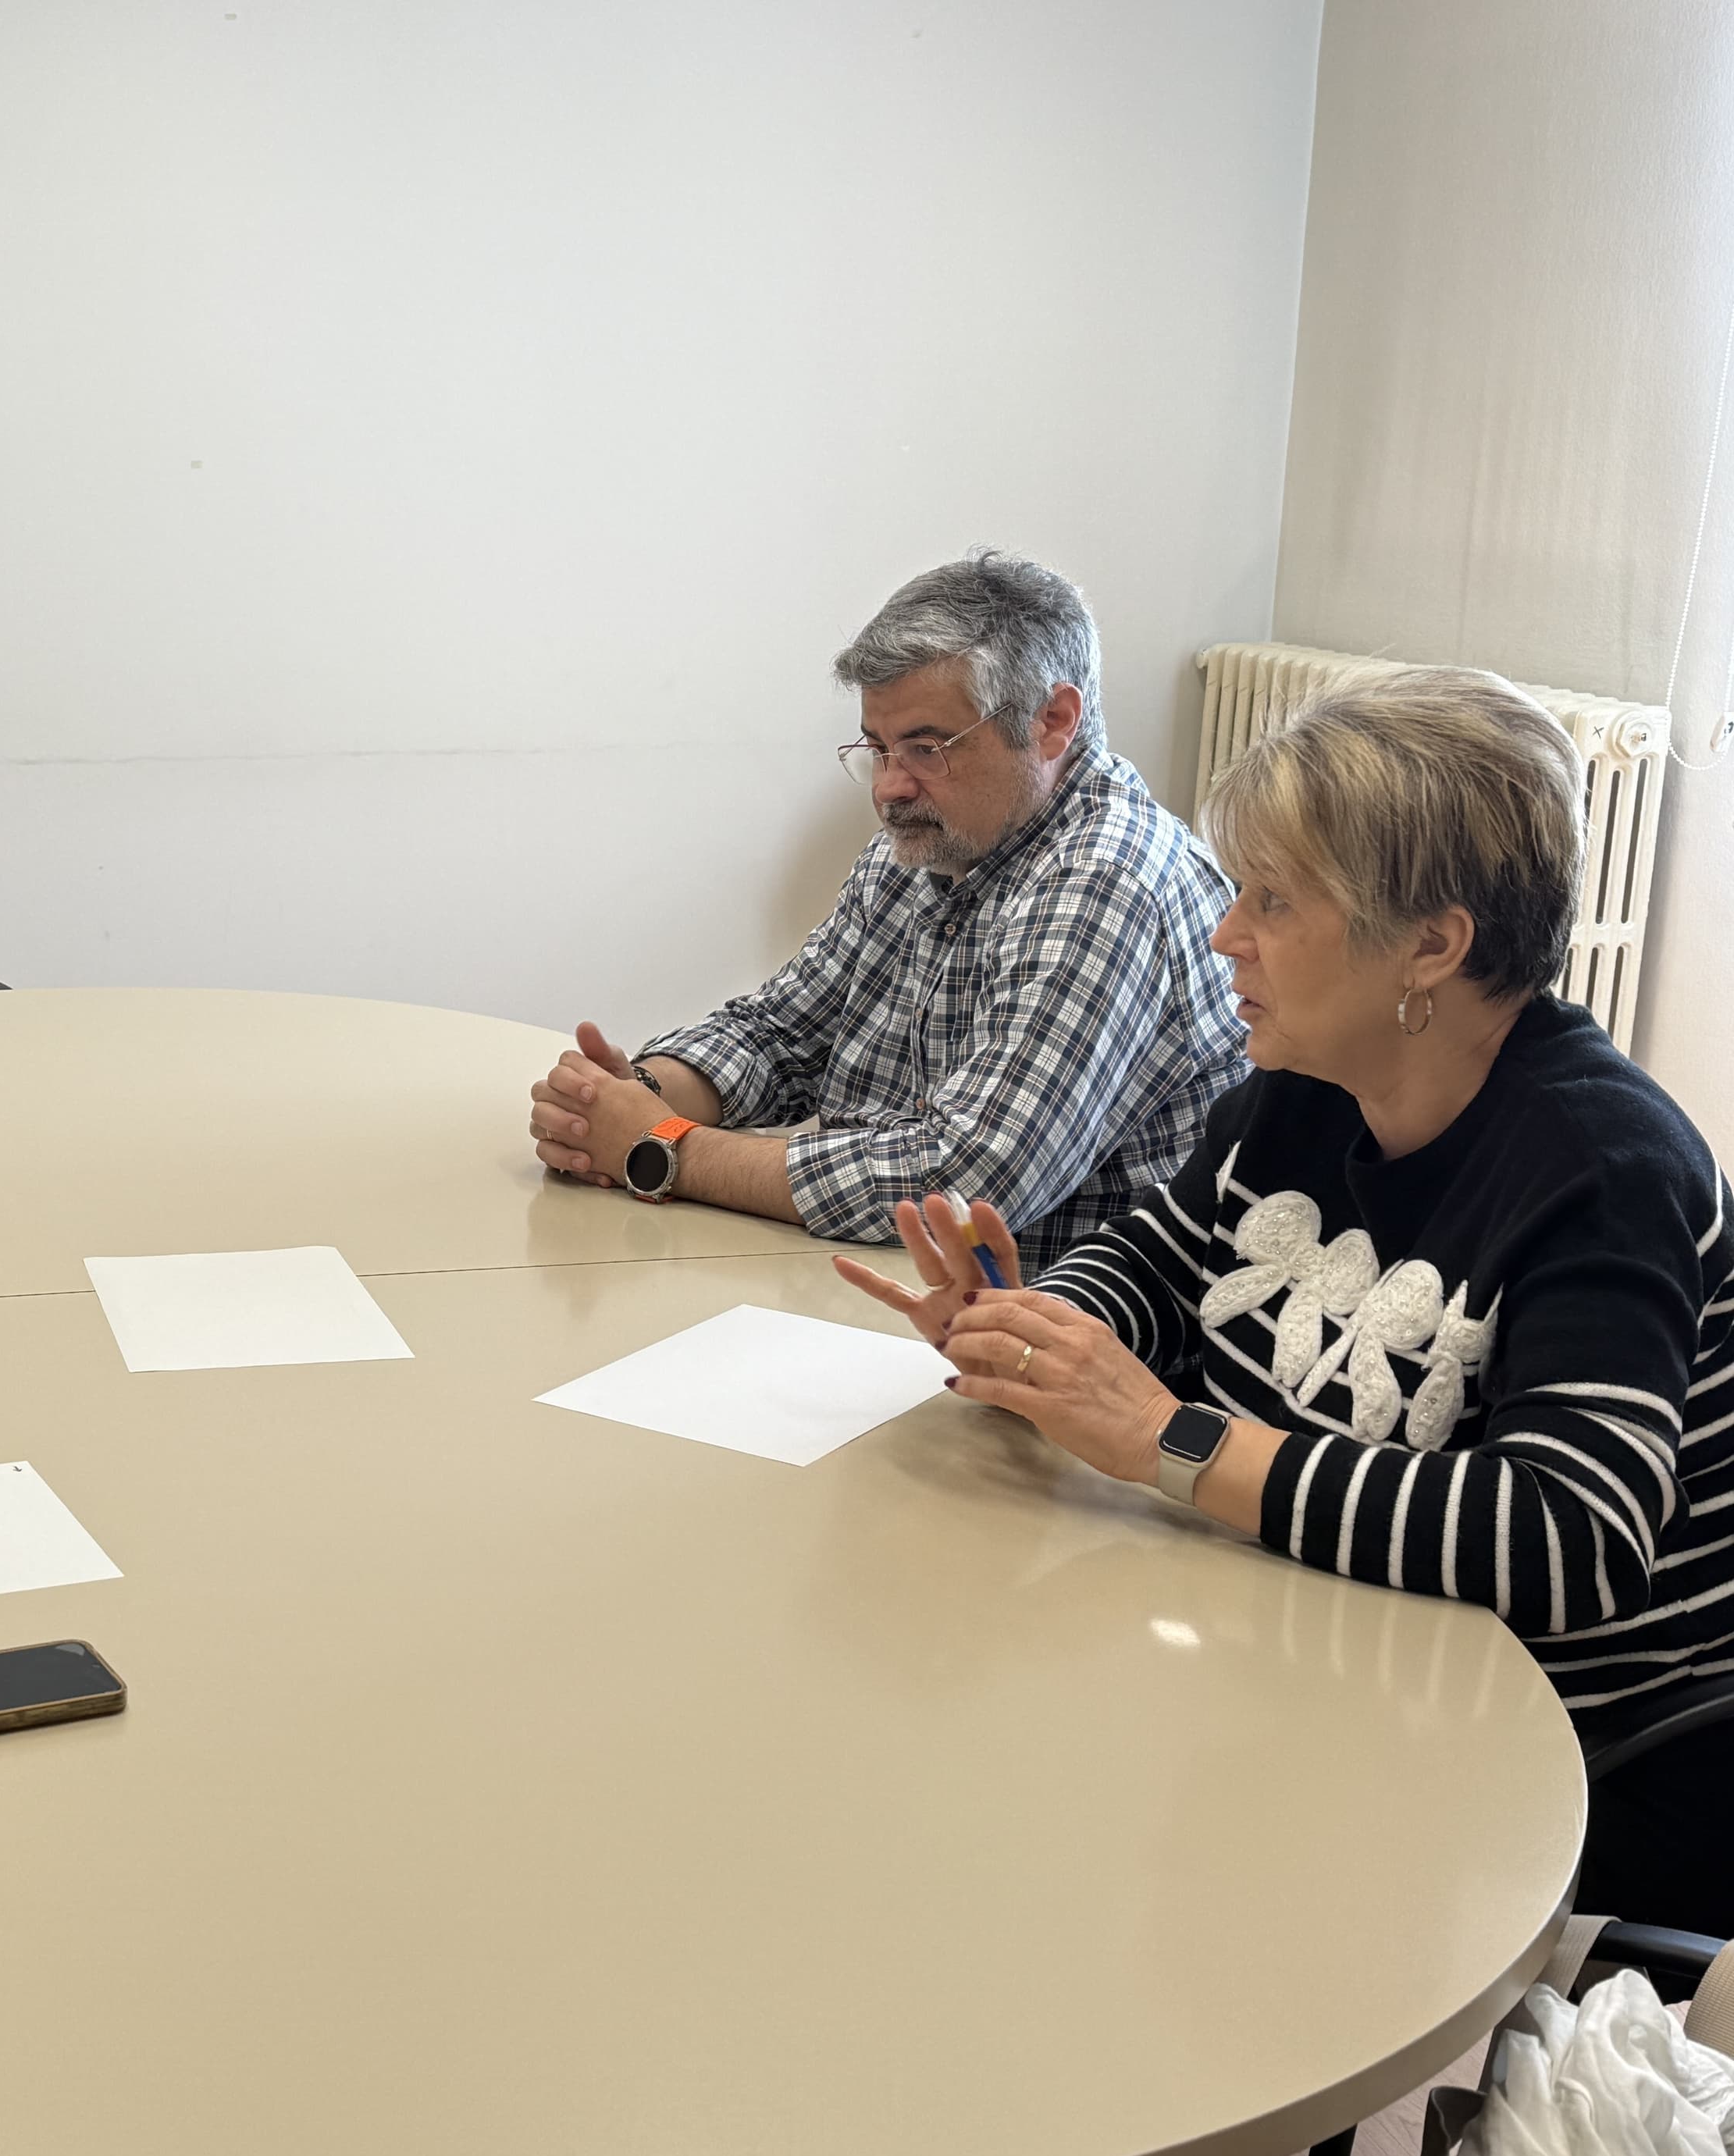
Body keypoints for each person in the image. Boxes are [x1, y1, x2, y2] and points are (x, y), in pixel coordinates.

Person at [840, 669, 1734, 1936]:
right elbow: (1160, 1269)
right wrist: (1031, 1328)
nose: (1225, 934)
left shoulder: (1607, 1168)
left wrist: (1171, 1438)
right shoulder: (1300, 1085)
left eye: (1273, 899)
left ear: (1431, 945)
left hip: (1559, 1769)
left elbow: (1567, 1535)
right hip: (1314, 1655)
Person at [529, 550, 1245, 1274]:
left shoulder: (1110, 879)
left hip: (1033, 1319)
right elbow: (781, 1034)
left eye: (926, 749)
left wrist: (662, 1148)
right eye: (878, 749)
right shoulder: (930, 842)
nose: (889, 789)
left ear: (1052, 721)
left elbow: (966, 1181)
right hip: (882, 1282)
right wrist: (625, 1098)